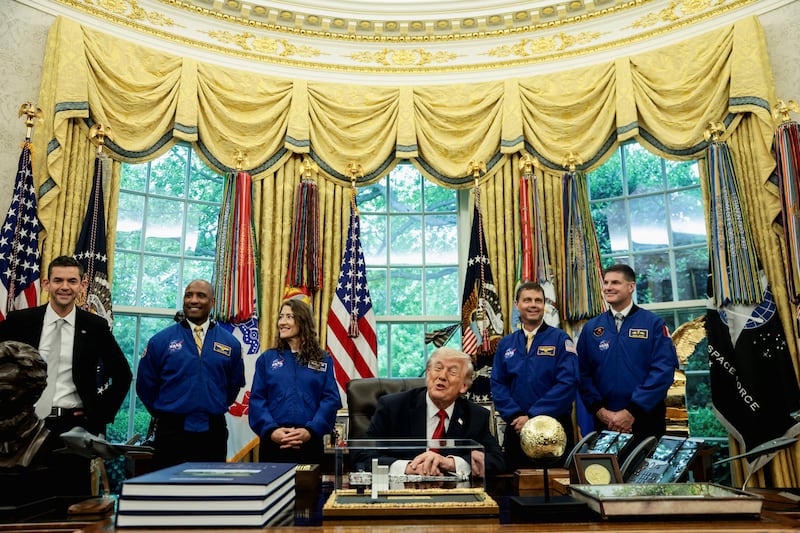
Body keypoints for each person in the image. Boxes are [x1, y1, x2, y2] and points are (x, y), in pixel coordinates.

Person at [0, 255, 132, 496]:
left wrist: (98, 414)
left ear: (82, 286)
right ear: (46, 283)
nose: (64, 287)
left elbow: (123, 375)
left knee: (70, 501)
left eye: (72, 281)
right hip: (26, 427)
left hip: (74, 428)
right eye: (58, 280)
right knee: (23, 500)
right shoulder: (20, 321)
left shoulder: (95, 326)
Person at [137, 279, 244, 469]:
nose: (193, 300)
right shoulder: (160, 341)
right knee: (170, 493)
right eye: (189, 295)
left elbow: (233, 385)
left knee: (208, 493)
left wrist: (210, 402)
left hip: (213, 433)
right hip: (171, 433)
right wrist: (167, 413)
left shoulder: (230, 344)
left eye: (201, 295)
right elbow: (145, 386)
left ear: (212, 302)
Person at [360, 347, 505, 478]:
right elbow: (362, 456)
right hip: (400, 495)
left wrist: (449, 463)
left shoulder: (475, 415)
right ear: (428, 374)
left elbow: (497, 461)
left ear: (464, 386)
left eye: (452, 372)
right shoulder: (393, 407)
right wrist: (409, 468)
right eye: (437, 368)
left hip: (453, 497)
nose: (442, 376)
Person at [577, 264, 678, 444]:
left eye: (615, 282)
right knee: (605, 472)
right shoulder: (591, 328)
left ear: (631, 287)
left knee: (643, 472)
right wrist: (600, 410)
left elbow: (663, 371)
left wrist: (632, 411)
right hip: (604, 422)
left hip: (645, 420)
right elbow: (583, 373)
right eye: (606, 282)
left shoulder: (653, 324)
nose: (608, 287)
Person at [491, 281, 578, 469]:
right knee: (516, 489)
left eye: (538, 300)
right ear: (517, 304)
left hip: (553, 428)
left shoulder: (560, 339)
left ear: (544, 305)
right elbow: (498, 384)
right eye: (527, 300)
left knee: (557, 488)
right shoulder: (506, 344)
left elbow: (568, 383)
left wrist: (532, 417)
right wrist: (516, 416)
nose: (533, 305)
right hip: (517, 428)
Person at [248, 299, 341, 465]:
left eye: (289, 317)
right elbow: (257, 400)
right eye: (281, 317)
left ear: (302, 321)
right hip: (274, 443)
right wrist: (271, 430)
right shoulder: (266, 359)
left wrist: (310, 430)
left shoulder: (322, 359)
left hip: (309, 442)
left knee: (309, 491)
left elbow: (330, 399)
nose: (282, 322)